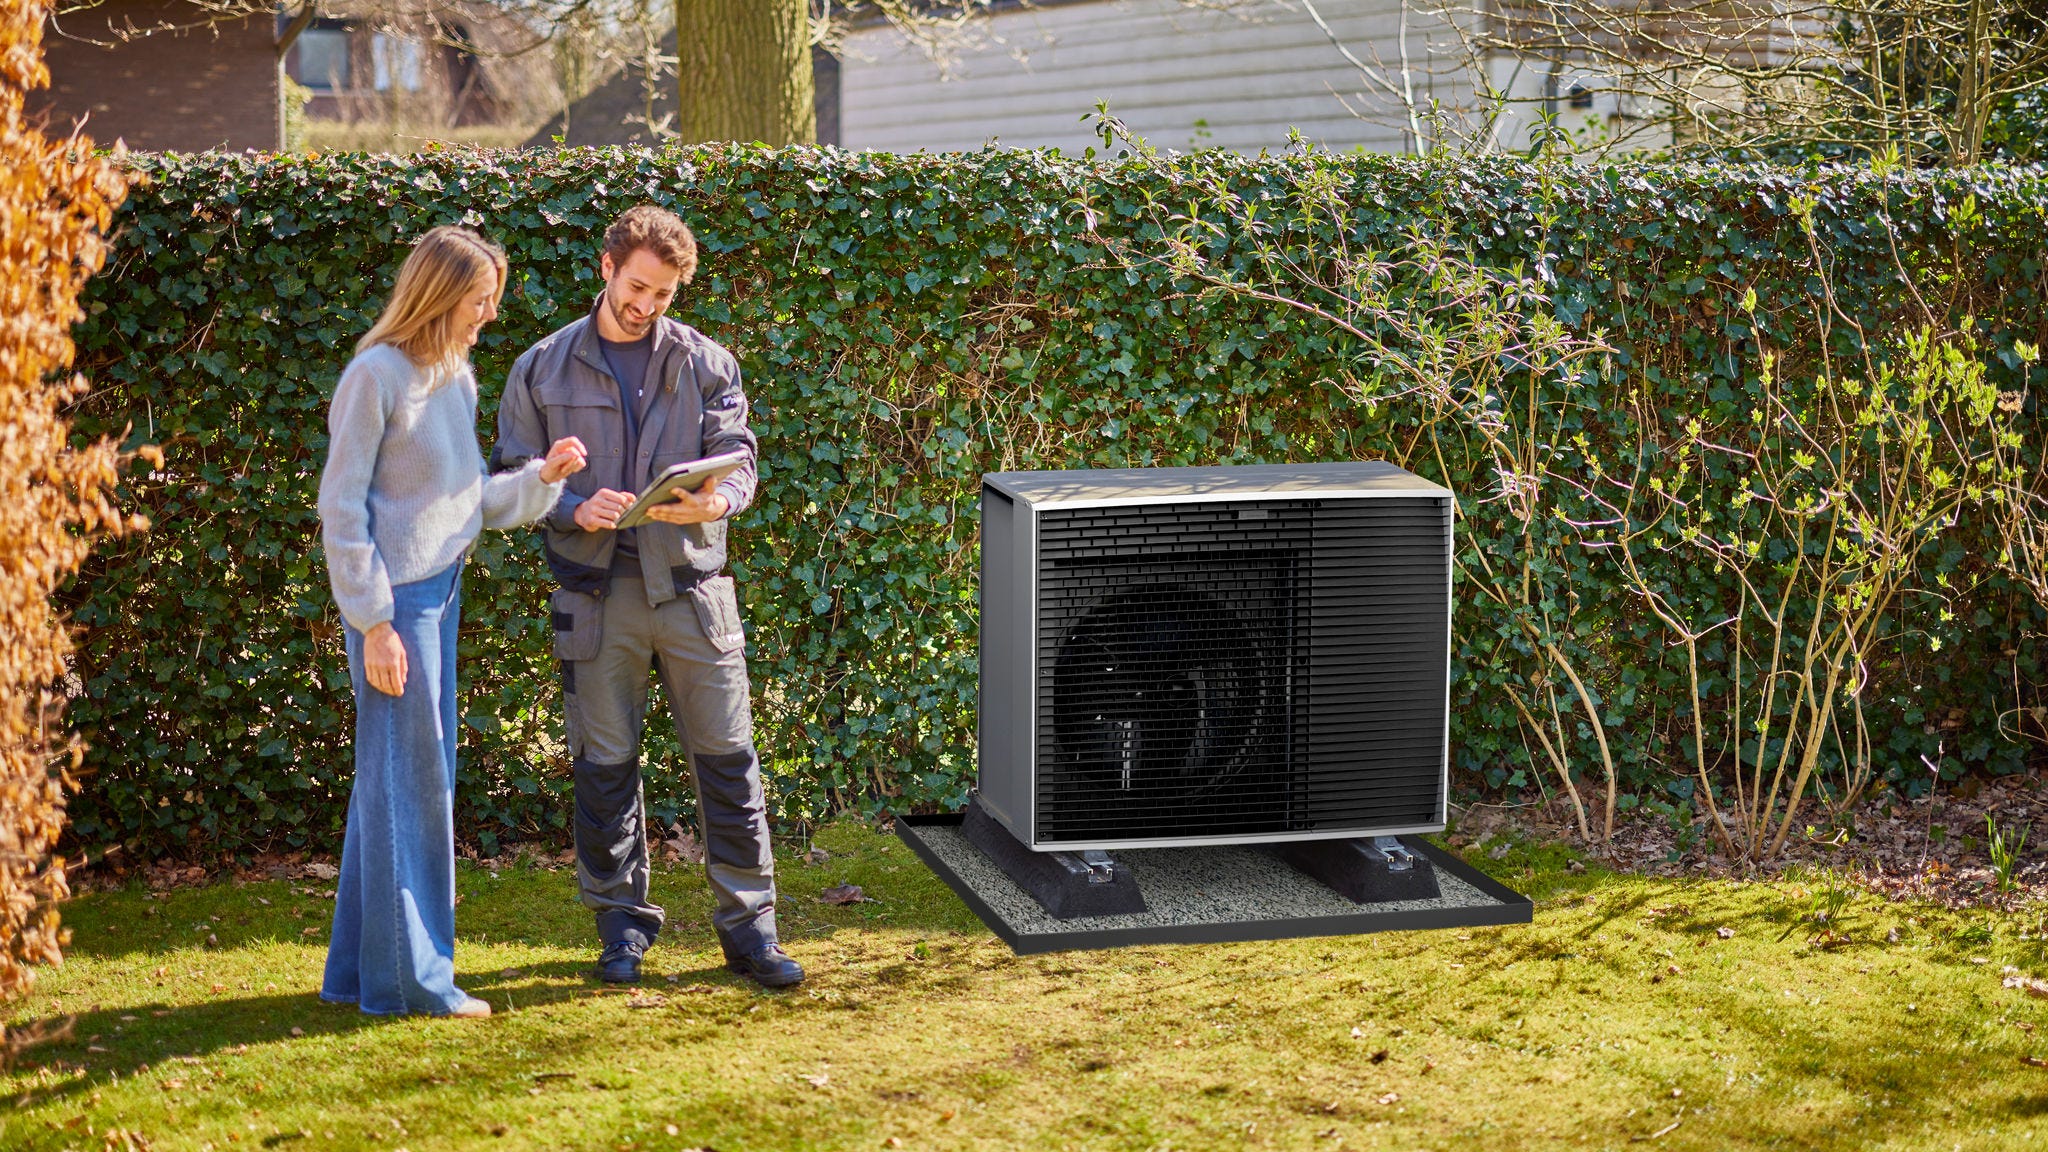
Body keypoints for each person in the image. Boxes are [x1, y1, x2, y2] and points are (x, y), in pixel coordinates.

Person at [491, 204, 802, 989]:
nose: (646, 305)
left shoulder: (708, 364)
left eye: (663, 295)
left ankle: (751, 933)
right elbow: (504, 479)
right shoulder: (540, 368)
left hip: (696, 594)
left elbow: (740, 459)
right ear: (605, 268)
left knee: (730, 764)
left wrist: (719, 501)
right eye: (637, 287)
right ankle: (620, 930)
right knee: (605, 770)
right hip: (595, 602)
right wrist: (566, 505)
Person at [317, 225, 588, 1017]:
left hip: (438, 593)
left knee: (392, 787)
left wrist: (543, 478)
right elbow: (341, 512)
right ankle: (414, 984)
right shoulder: (376, 377)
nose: (488, 315)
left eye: (492, 301)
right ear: (440, 295)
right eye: (479, 299)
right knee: (413, 790)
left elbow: (466, 501)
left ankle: (355, 976)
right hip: (395, 608)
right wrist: (373, 623)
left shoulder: (454, 379)